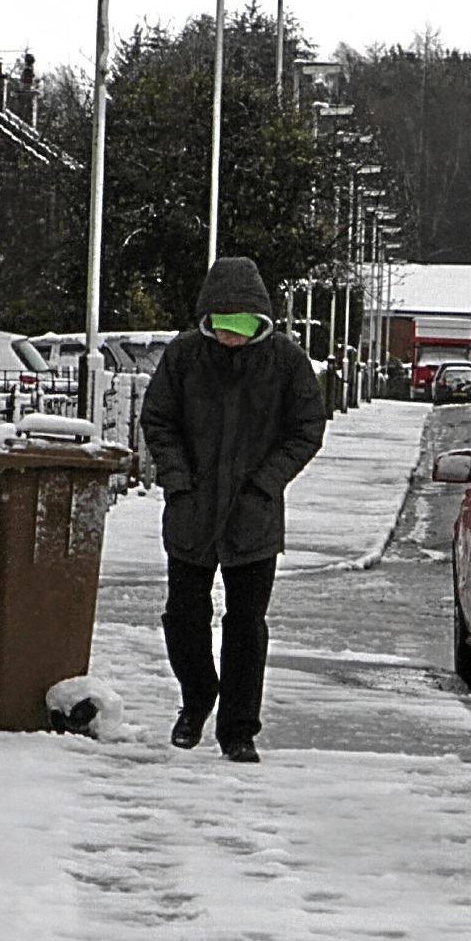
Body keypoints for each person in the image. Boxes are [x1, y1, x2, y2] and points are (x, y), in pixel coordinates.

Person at [140, 256, 327, 762]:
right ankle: (198, 694)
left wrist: (265, 483)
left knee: (246, 626)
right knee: (184, 617)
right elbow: (157, 420)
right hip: (192, 512)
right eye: (224, 326)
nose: (232, 337)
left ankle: (239, 729)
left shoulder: (286, 362)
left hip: (254, 517)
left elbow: (307, 427)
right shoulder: (183, 358)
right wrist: (178, 480)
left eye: (242, 327)